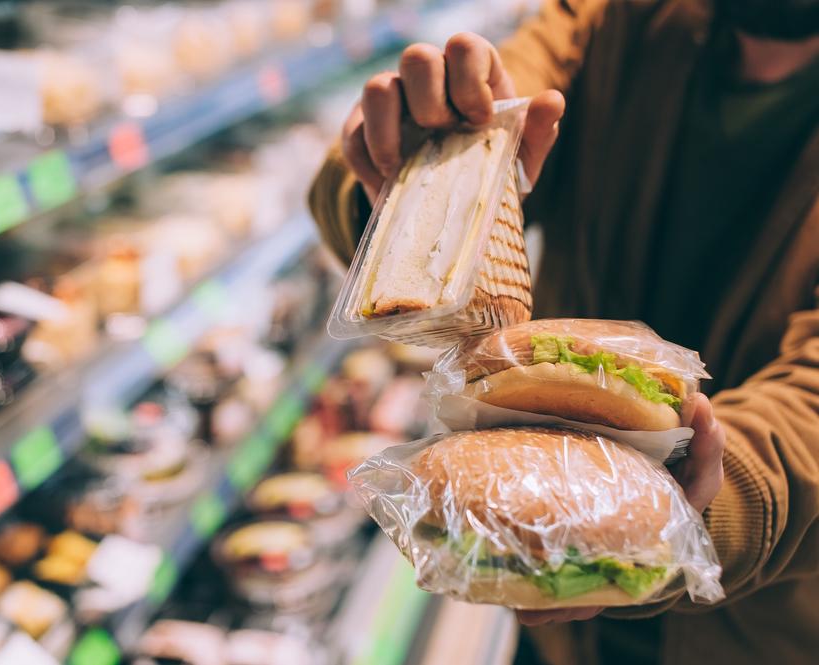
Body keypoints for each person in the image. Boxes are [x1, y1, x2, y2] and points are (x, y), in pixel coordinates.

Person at [307, 0, 819, 663]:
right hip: (551, 610)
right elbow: (505, 92)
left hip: (757, 628)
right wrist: (411, 176)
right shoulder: (617, 17)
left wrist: (695, 501)